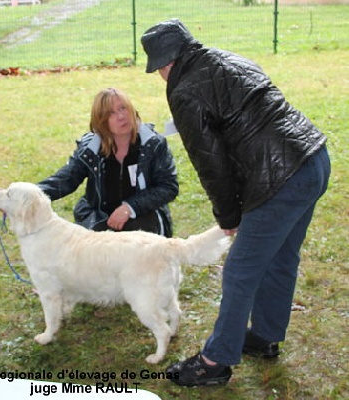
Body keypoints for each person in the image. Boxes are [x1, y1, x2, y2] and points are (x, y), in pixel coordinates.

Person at [141, 19, 331, 386]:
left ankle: (216, 361)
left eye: (158, 69)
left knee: (240, 270)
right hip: (314, 160)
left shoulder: (184, 91)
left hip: (281, 176)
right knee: (281, 257)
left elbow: (211, 163)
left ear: (167, 63)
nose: (160, 76)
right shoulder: (227, 58)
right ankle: (265, 336)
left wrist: (228, 215)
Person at [38, 87, 178, 237]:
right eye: (111, 113)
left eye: (123, 108)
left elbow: (168, 187)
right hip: (99, 217)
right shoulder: (90, 150)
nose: (121, 116)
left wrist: (129, 208)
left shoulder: (154, 144)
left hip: (143, 214)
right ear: (101, 122)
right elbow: (65, 180)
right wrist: (30, 193)